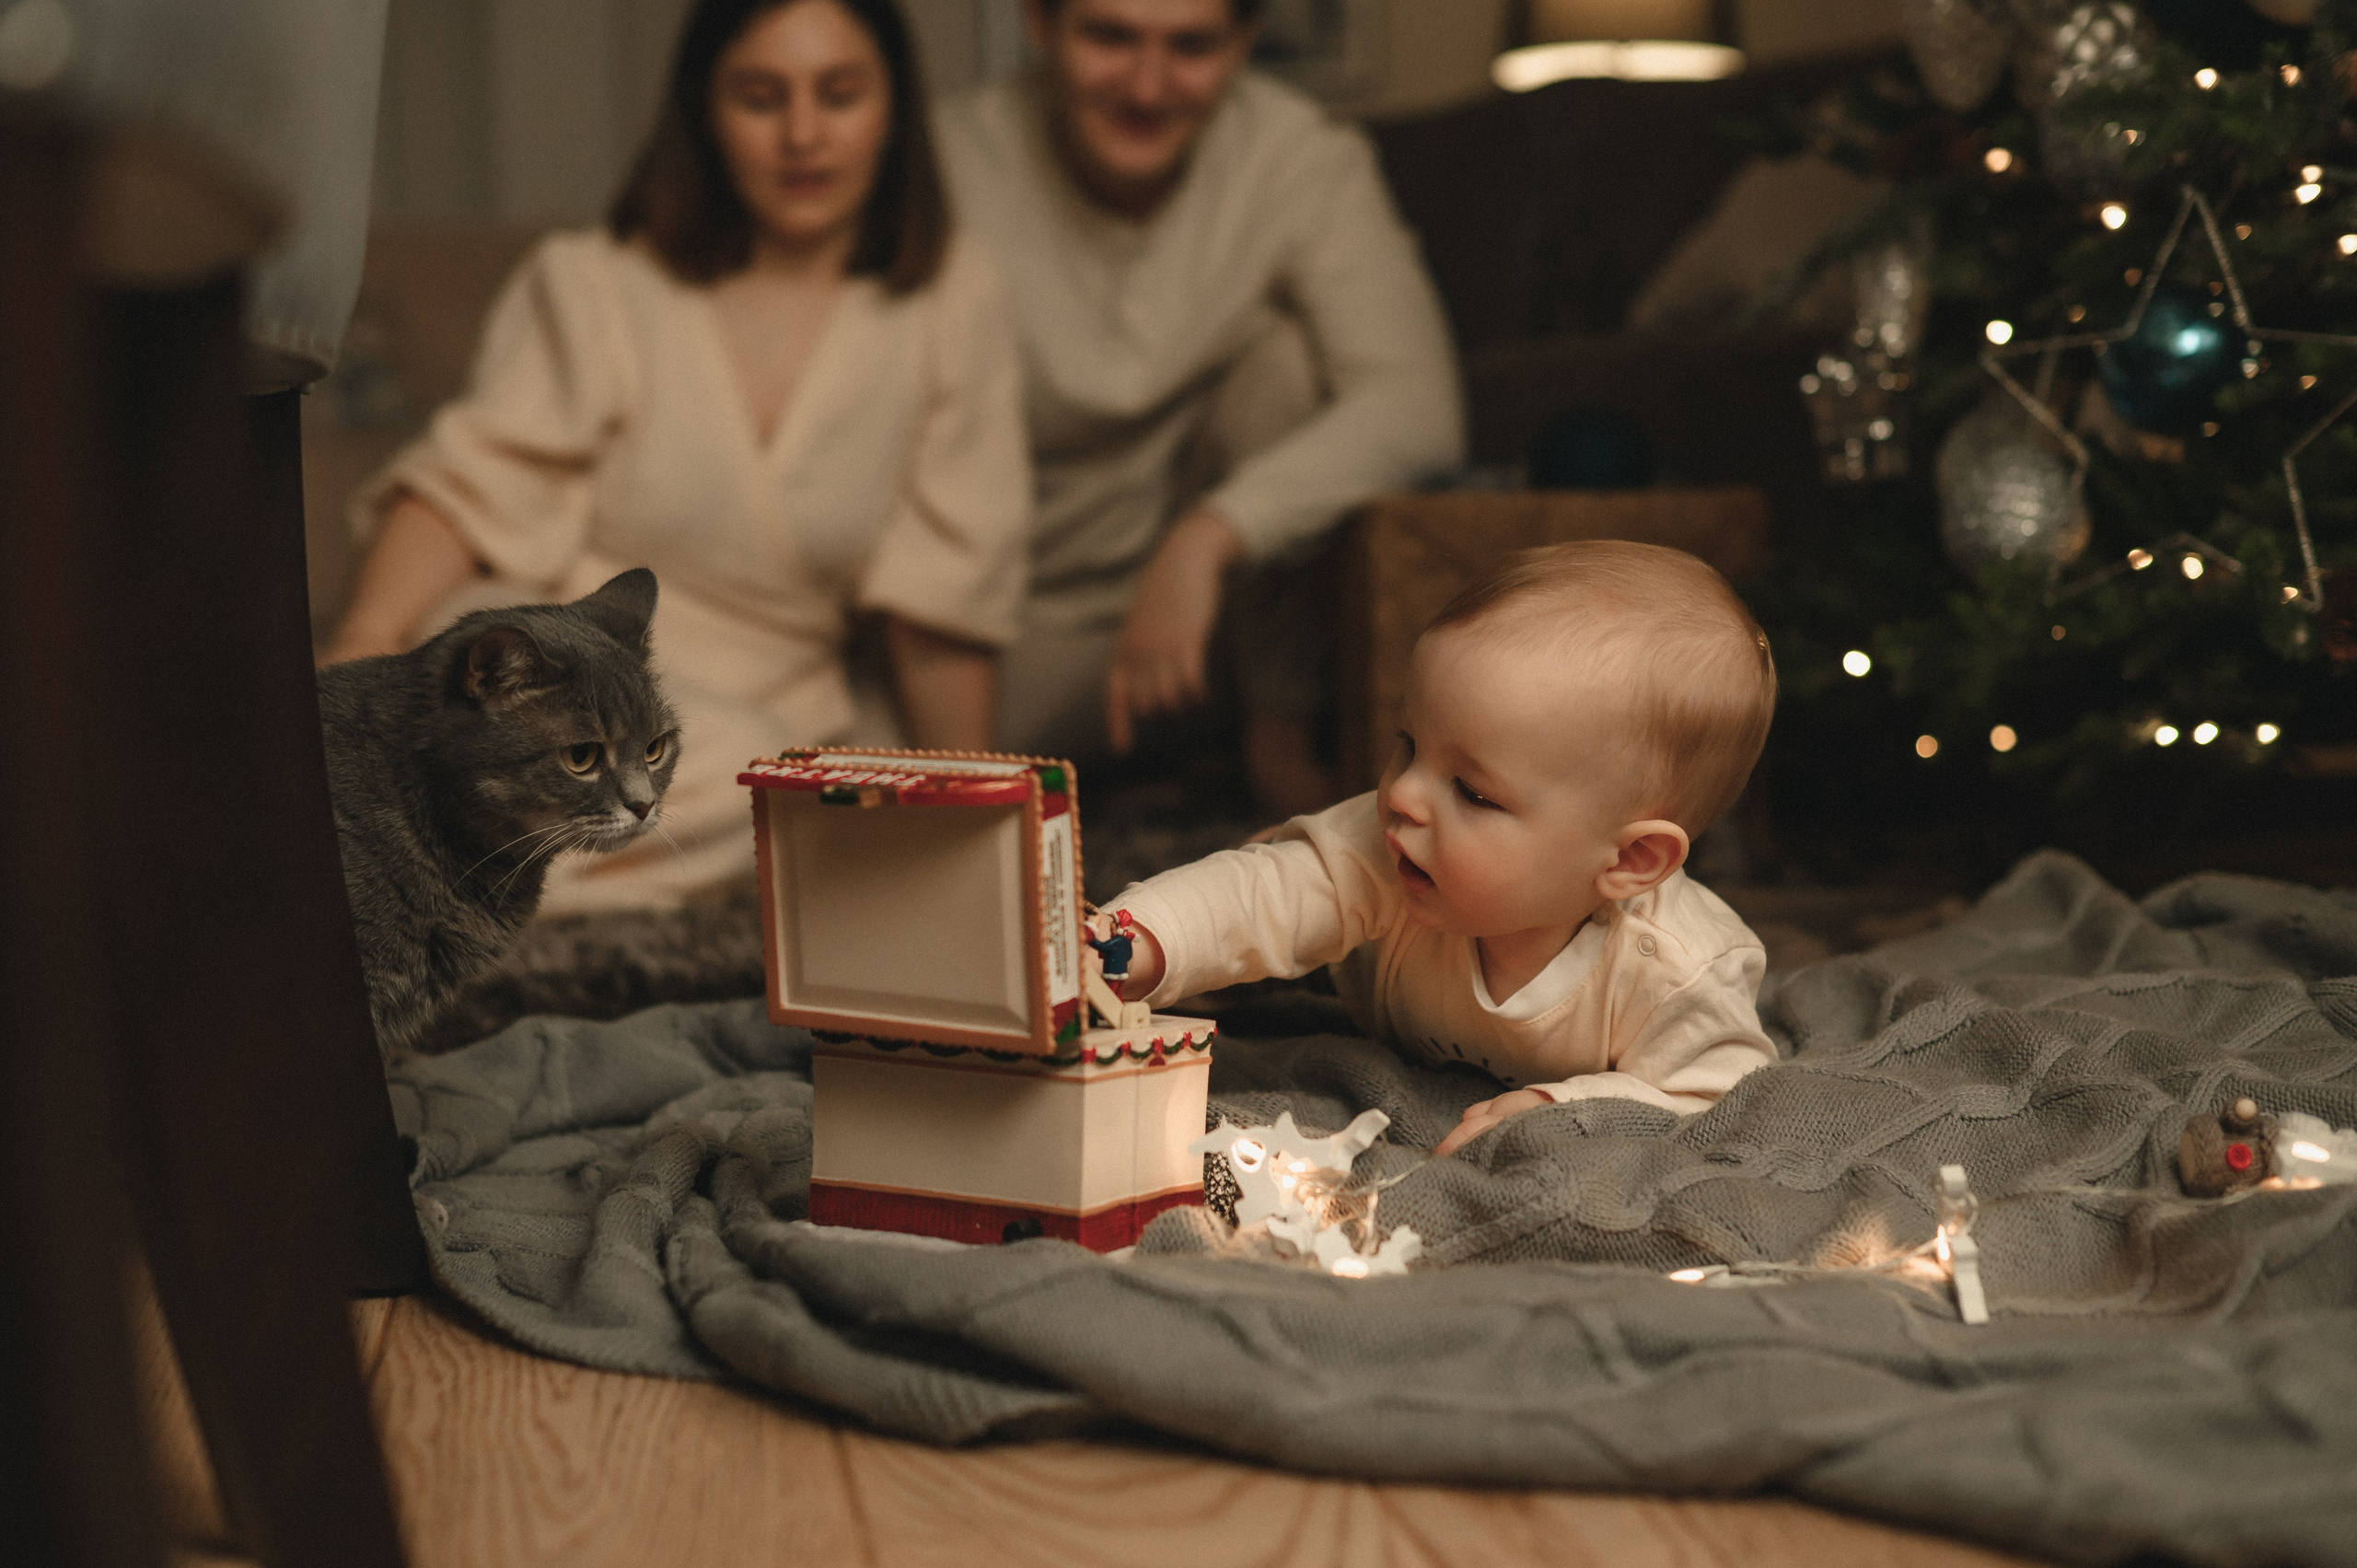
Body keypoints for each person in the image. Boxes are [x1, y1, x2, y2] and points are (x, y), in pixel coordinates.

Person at [322, 0, 1029, 912]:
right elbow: (471, 485)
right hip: (551, 673)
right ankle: (389, 877)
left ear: (894, 112)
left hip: (751, 726)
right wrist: (354, 661)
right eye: (761, 97)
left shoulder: (949, 300)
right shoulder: (595, 280)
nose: (803, 135)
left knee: (767, 782)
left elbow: (947, 598)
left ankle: (427, 892)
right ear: (705, 110)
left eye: (840, 94)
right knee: (474, 697)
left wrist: (980, 829)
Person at [936, 0, 1464, 812]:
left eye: (1190, 46)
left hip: (1213, 629)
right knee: (808, 770)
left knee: (1284, 360)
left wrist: (1209, 535)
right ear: (1039, 24)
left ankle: (1269, 740)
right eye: (1110, 36)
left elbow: (1420, 405)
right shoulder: (945, 158)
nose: (1148, 86)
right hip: (998, 628)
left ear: (1243, 42)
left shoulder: (1299, 156)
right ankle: (1155, 764)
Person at [1086, 542, 1781, 1157]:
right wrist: (1131, 943)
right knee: (1279, 885)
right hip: (1345, 957)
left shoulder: (1681, 971)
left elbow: (1719, 1101)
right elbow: (1259, 896)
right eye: (1408, 745)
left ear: (1629, 862)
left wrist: (1561, 1107)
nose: (1404, 795)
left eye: (1473, 793)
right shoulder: (1396, 846)